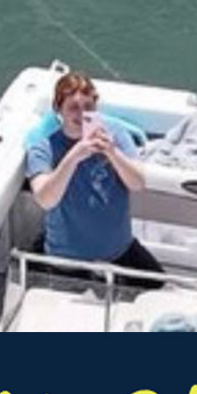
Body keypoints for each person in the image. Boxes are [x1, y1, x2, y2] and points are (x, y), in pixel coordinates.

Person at [26, 71, 163, 284]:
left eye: (88, 107)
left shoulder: (116, 133)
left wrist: (112, 152)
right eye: (73, 107)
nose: (81, 114)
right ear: (58, 109)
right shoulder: (44, 148)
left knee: (158, 285)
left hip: (119, 249)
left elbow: (137, 183)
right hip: (67, 259)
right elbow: (45, 199)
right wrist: (74, 156)